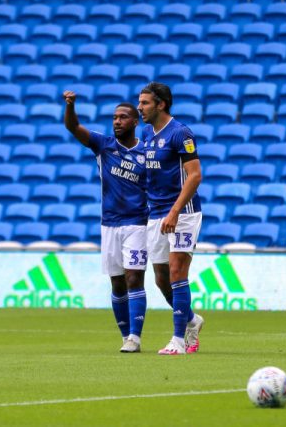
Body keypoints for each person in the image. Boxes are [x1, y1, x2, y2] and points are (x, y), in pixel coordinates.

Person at [63, 91, 149, 353]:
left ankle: (135, 337)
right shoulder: (103, 145)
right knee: (117, 282)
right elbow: (73, 127)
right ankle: (125, 336)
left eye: (123, 117)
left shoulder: (146, 153)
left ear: (135, 122)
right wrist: (70, 106)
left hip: (137, 223)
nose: (117, 121)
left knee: (134, 278)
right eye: (114, 118)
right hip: (109, 223)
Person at [138, 82, 205, 356]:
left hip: (183, 212)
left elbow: (195, 175)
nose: (140, 108)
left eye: (145, 103)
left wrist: (175, 212)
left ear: (161, 104)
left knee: (177, 272)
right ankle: (192, 319)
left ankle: (178, 340)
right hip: (156, 213)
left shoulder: (180, 133)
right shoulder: (146, 133)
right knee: (161, 279)